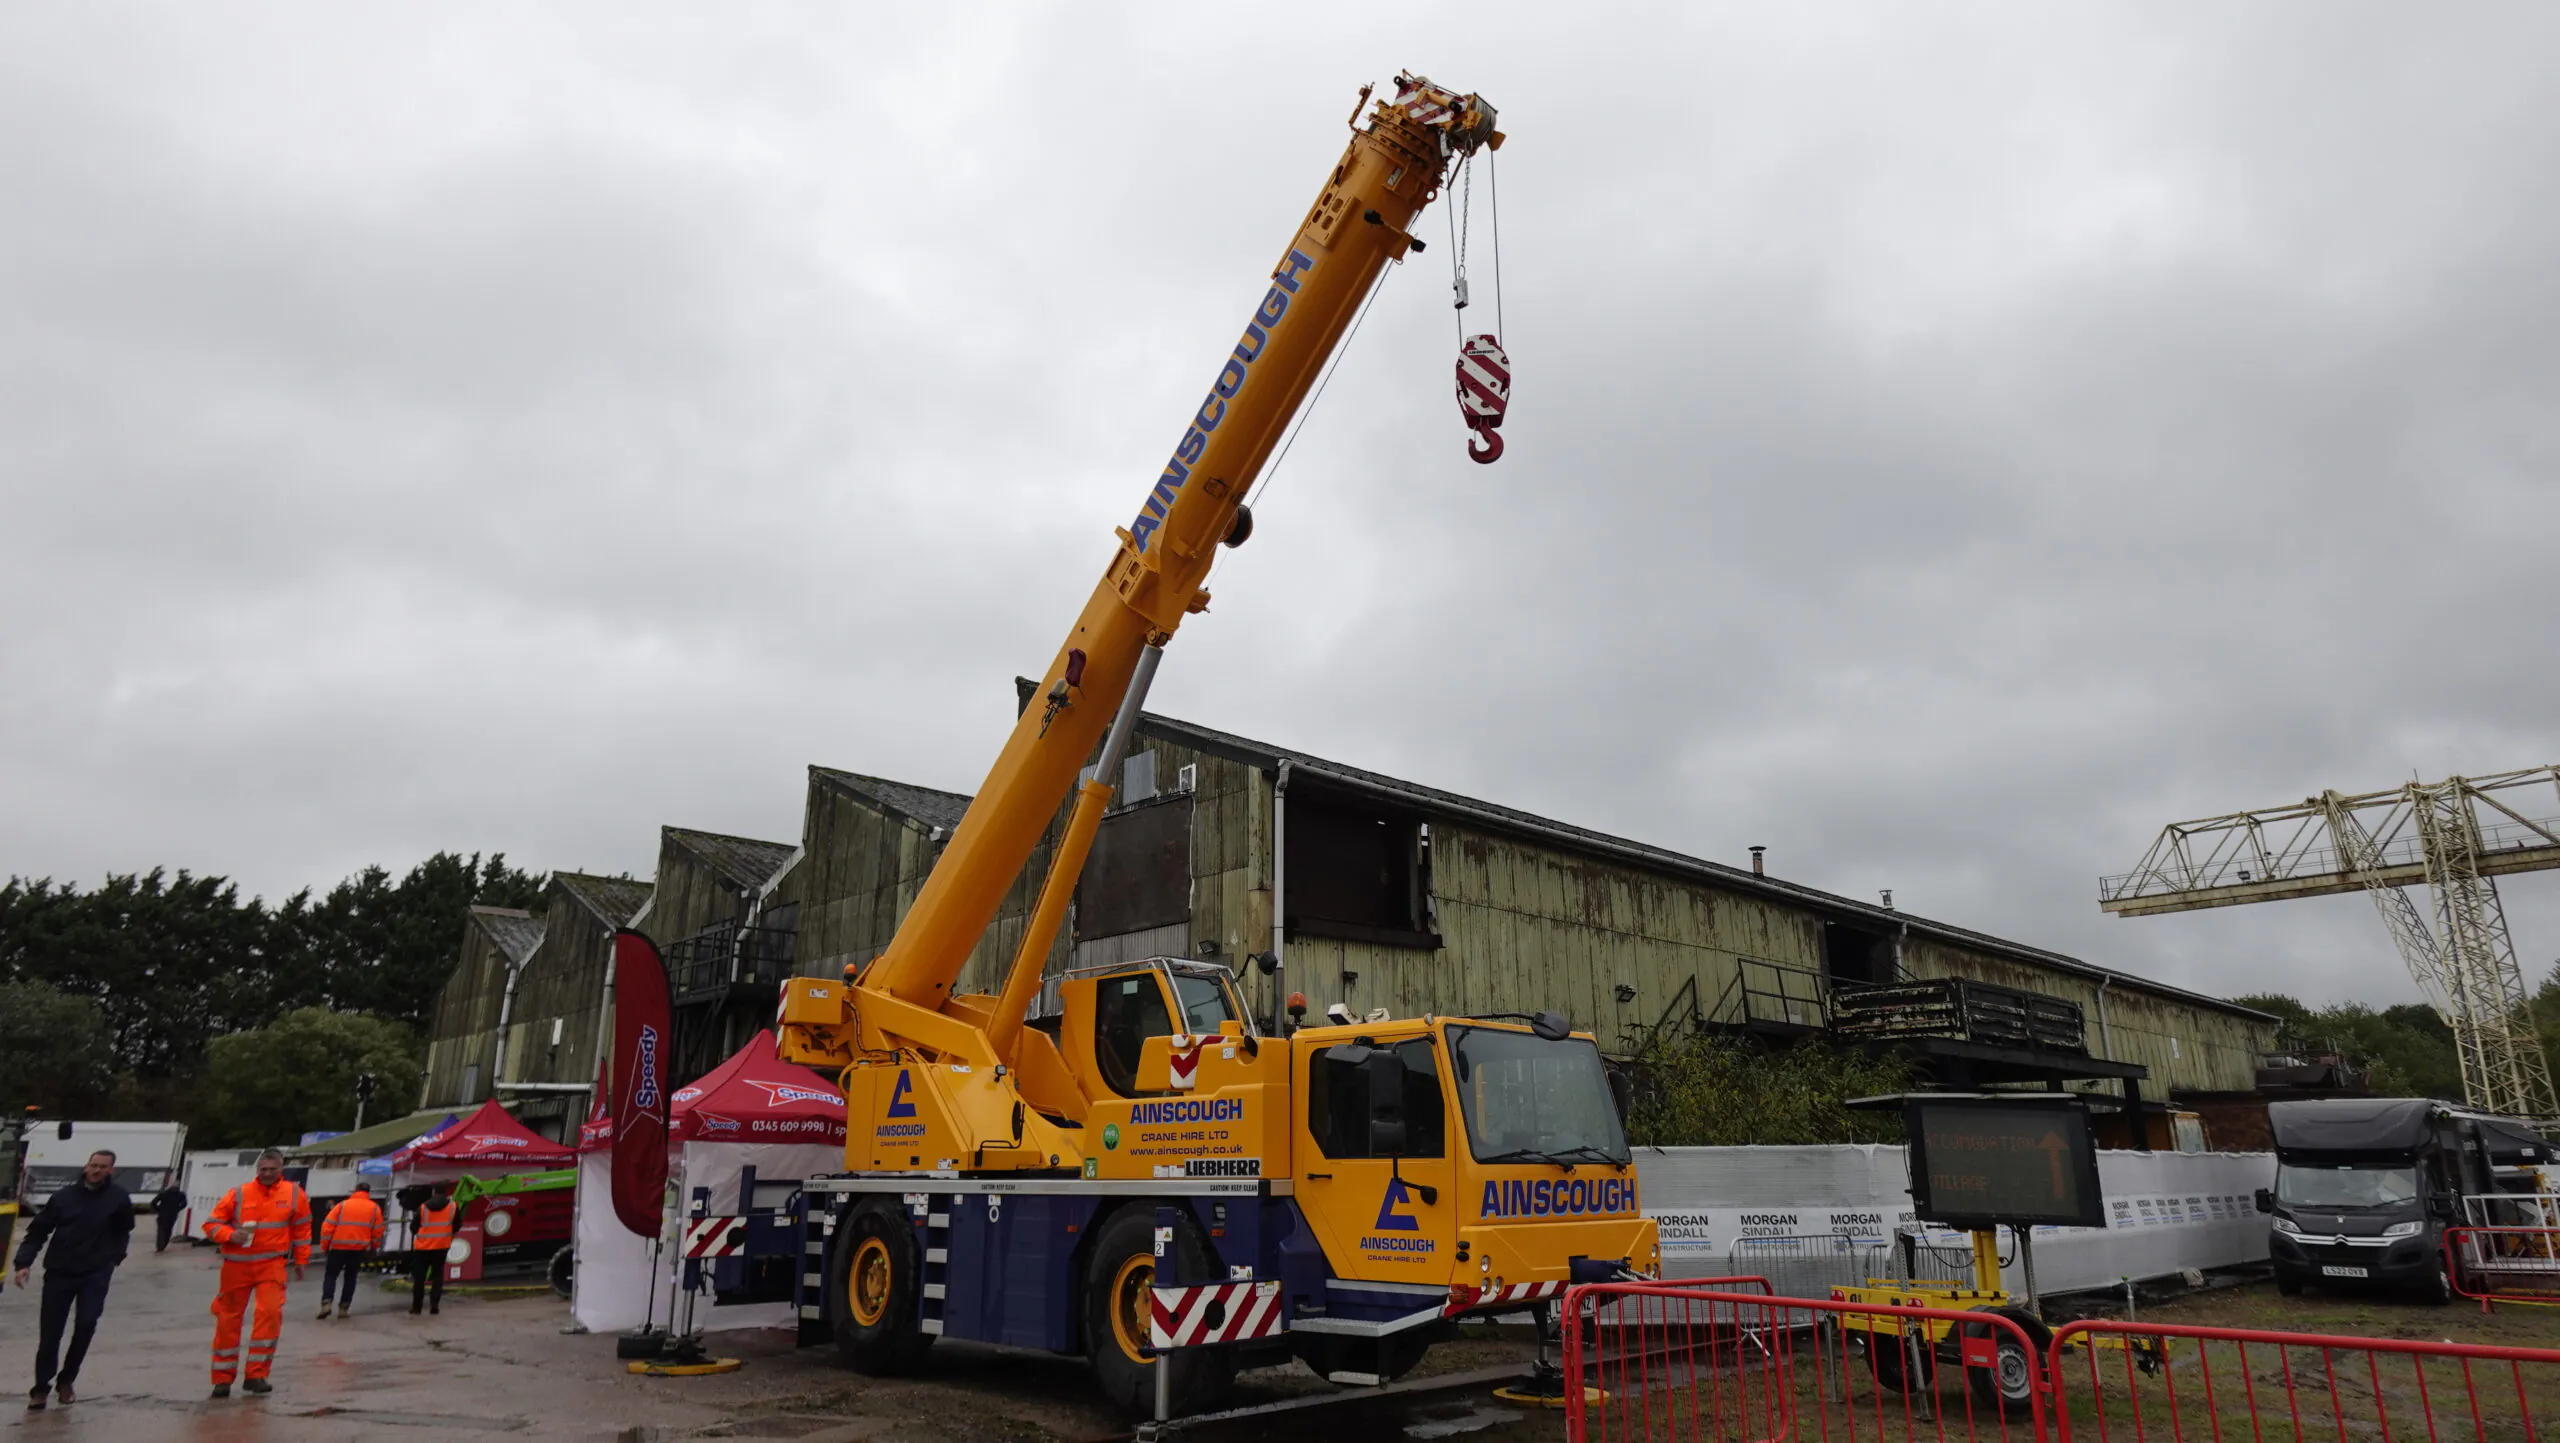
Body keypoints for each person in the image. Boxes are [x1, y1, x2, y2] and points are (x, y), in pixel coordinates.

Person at [13, 1150, 134, 1411]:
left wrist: (115, 1257)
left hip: (95, 1274)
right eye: (93, 1165)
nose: (96, 1170)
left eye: (102, 1167)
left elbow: (124, 1231)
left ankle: (66, 1380)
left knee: (86, 1324)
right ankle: (41, 1388)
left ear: (111, 1170)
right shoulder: (63, 1197)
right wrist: (23, 1263)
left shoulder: (118, 1198)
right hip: (60, 1272)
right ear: (85, 1167)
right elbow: (37, 1232)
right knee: (50, 1332)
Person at [201, 1148, 309, 1399]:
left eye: (272, 1170)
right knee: (228, 1320)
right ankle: (222, 1379)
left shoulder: (294, 1194)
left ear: (281, 1170)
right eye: (263, 1169)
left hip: (271, 1265)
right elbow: (210, 1224)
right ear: (257, 1170)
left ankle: (256, 1375)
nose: (267, 1174)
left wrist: (301, 1260)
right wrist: (230, 1235)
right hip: (236, 1265)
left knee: (269, 1315)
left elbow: (302, 1229)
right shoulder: (238, 1194)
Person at [315, 1183, 385, 1319]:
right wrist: (374, 1247)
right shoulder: (375, 1209)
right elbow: (378, 1231)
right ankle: (344, 1309)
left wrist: (325, 1246)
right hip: (358, 1249)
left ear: (356, 1191)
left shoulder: (342, 1206)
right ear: (368, 1192)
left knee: (331, 1276)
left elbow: (327, 1227)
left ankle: (326, 1303)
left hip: (337, 1248)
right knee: (351, 1278)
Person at [408, 1182, 457, 1316]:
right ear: (446, 1192)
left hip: (423, 1247)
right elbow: (457, 1224)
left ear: (433, 1192)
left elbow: (413, 1227)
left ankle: (417, 1307)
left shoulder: (423, 1207)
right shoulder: (452, 1207)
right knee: (437, 1276)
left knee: (419, 1278)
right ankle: (434, 1305)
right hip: (441, 1245)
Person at [151, 1181, 190, 1252]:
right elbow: (184, 1204)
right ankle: (164, 1244)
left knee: (161, 1230)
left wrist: (158, 1210)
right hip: (173, 1215)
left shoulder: (163, 1193)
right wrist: (178, 1209)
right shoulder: (181, 1194)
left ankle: (160, 1246)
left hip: (162, 1214)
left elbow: (153, 1203)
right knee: (168, 1230)